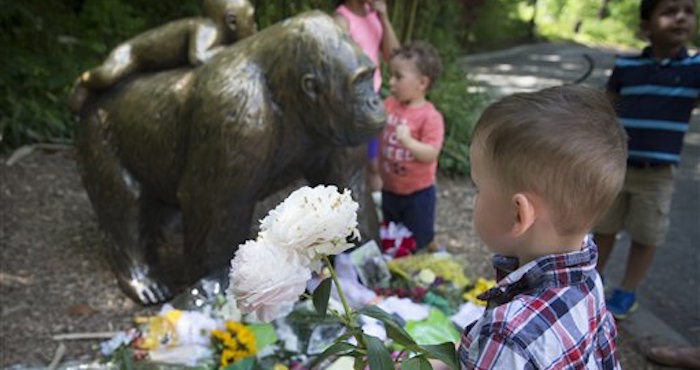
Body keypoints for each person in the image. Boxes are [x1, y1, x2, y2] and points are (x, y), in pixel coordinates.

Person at [453, 86, 626, 369]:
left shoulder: (508, 335)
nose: (474, 198)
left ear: (518, 214)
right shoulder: (588, 279)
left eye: (478, 187)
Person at [593, 0, 699, 319]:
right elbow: (605, 111)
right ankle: (590, 283)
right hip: (616, 166)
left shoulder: (694, 70)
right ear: (645, 25)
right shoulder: (627, 67)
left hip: (658, 174)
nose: (681, 17)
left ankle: (626, 291)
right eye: (669, 11)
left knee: (646, 234)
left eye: (689, 11)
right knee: (603, 228)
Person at [378, 41, 443, 252]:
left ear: (422, 83)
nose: (391, 82)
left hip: (418, 193)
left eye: (398, 76)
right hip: (390, 188)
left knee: (417, 238)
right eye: (391, 75)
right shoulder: (389, 104)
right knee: (392, 233)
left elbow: (431, 153)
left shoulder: (430, 117)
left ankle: (429, 252)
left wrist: (408, 142)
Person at [334, 0, 400, 194]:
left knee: (374, 163)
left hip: (374, 96)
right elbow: (340, 66)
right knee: (355, 163)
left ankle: (378, 217)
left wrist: (384, 17)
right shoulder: (341, 20)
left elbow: (395, 56)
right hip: (354, 102)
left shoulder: (373, 14)